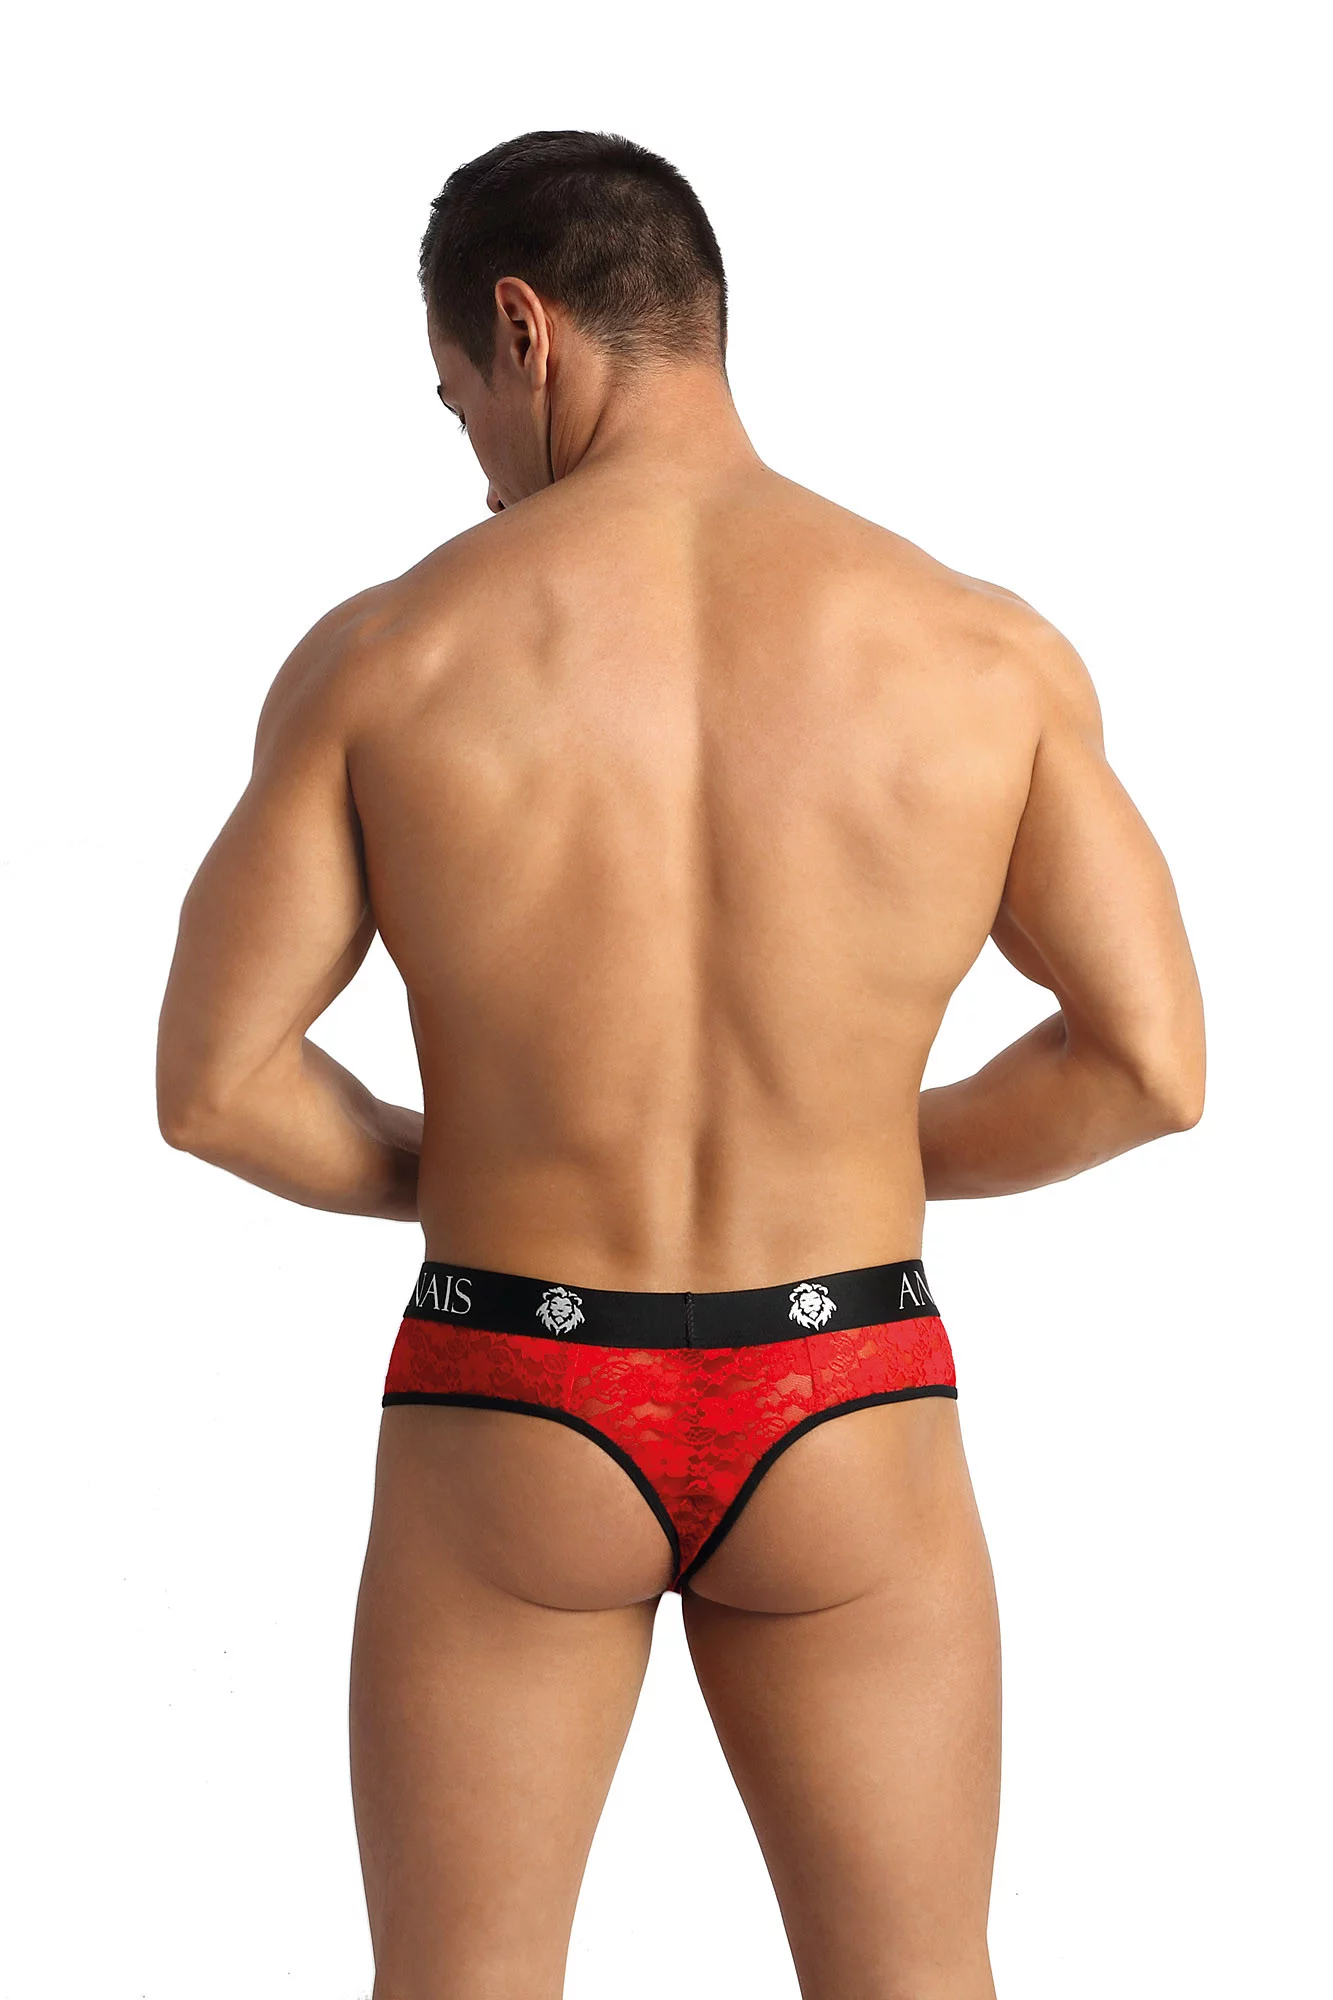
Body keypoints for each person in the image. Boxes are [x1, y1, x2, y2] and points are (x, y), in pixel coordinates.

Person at [156, 129, 1205, 2000]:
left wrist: (486, 1158)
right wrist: (868, 1142)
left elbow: (215, 1083)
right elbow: (1149, 1066)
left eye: (460, 401)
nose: (476, 459)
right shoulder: (979, 654)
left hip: (514, 1386)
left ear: (524, 327)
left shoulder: (392, 656)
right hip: (846, 1383)